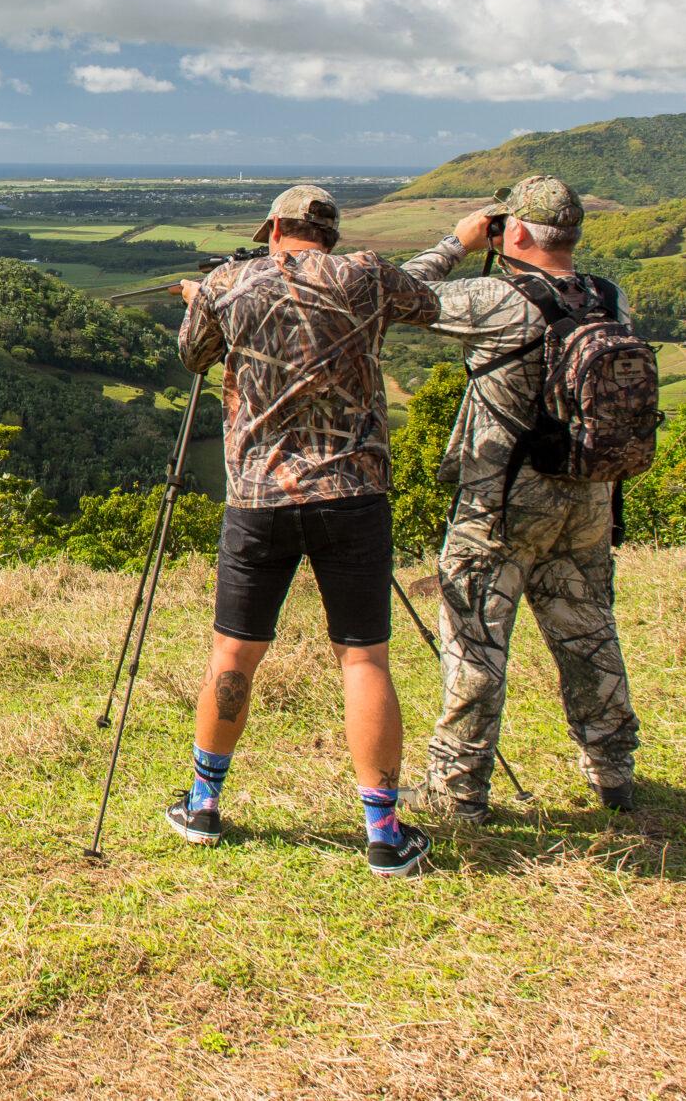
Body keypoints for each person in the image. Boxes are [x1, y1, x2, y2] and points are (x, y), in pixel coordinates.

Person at [169, 184, 440, 877]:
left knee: (233, 655)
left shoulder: (230, 284)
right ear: (331, 232)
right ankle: (383, 830)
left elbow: (193, 355)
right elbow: (429, 300)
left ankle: (203, 803)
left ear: (273, 228)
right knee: (363, 659)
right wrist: (461, 242)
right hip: (353, 493)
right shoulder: (367, 277)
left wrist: (201, 298)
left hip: (259, 498)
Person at [401, 176, 642, 822]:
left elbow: (392, 295)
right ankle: (613, 769)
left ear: (522, 233)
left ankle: (458, 789)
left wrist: (458, 240)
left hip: (501, 504)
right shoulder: (609, 298)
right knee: (589, 631)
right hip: (589, 497)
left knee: (475, 643)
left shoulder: (497, 299)